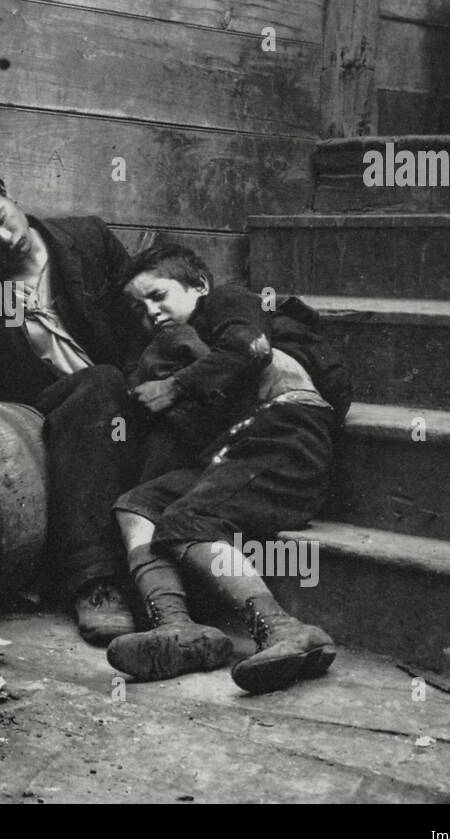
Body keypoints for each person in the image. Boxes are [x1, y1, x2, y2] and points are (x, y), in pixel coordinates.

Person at [0, 164, 143, 645]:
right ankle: (95, 583)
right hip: (54, 426)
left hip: (134, 403)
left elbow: (146, 317)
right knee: (98, 385)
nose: (0, 235)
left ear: (4, 190)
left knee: (108, 382)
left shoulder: (88, 239)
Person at [105, 243, 349, 694]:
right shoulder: (173, 348)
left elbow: (250, 348)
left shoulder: (229, 301)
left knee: (186, 520)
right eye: (140, 309)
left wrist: (176, 386)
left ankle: (282, 629)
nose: (151, 312)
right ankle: (177, 629)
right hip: (235, 453)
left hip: (287, 438)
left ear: (199, 284)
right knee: (136, 505)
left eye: (158, 295)